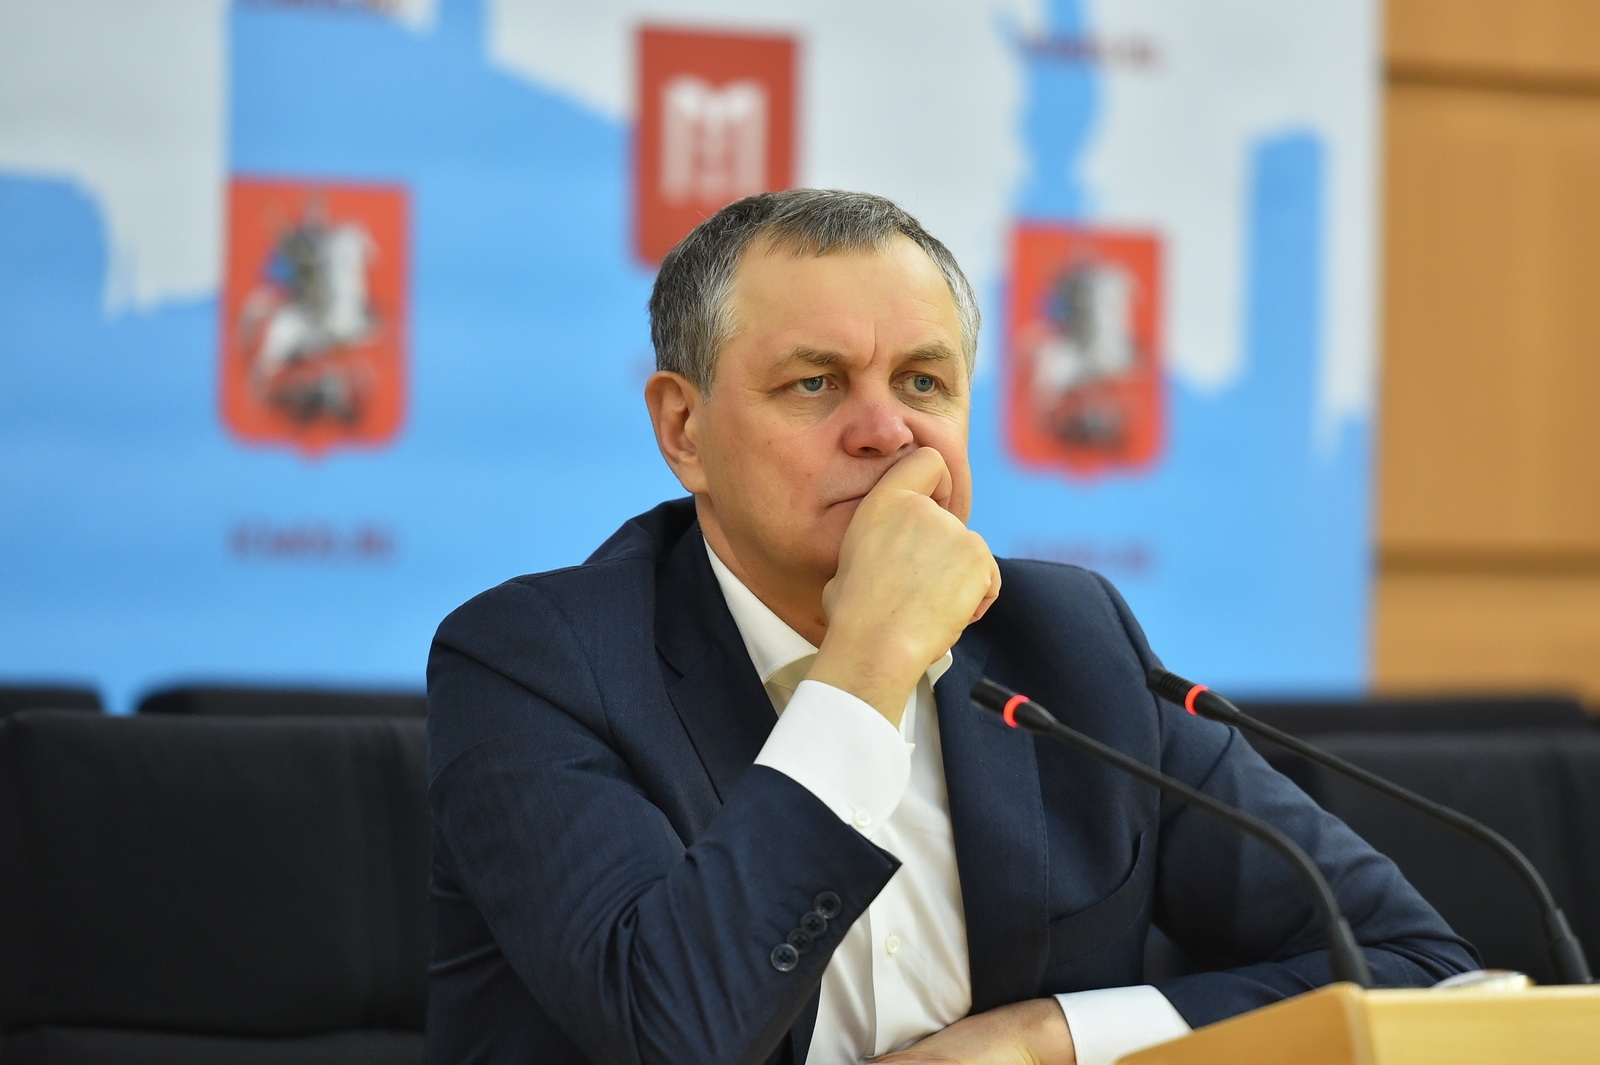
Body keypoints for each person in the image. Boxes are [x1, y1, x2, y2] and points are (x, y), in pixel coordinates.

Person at [424, 190, 1474, 1065]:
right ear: (684, 428)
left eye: (923, 382)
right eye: (815, 383)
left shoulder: (1068, 643)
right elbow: (672, 1031)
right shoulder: (537, 664)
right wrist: (867, 663)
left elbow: (1419, 968)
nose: (886, 430)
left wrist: (1043, 1039)